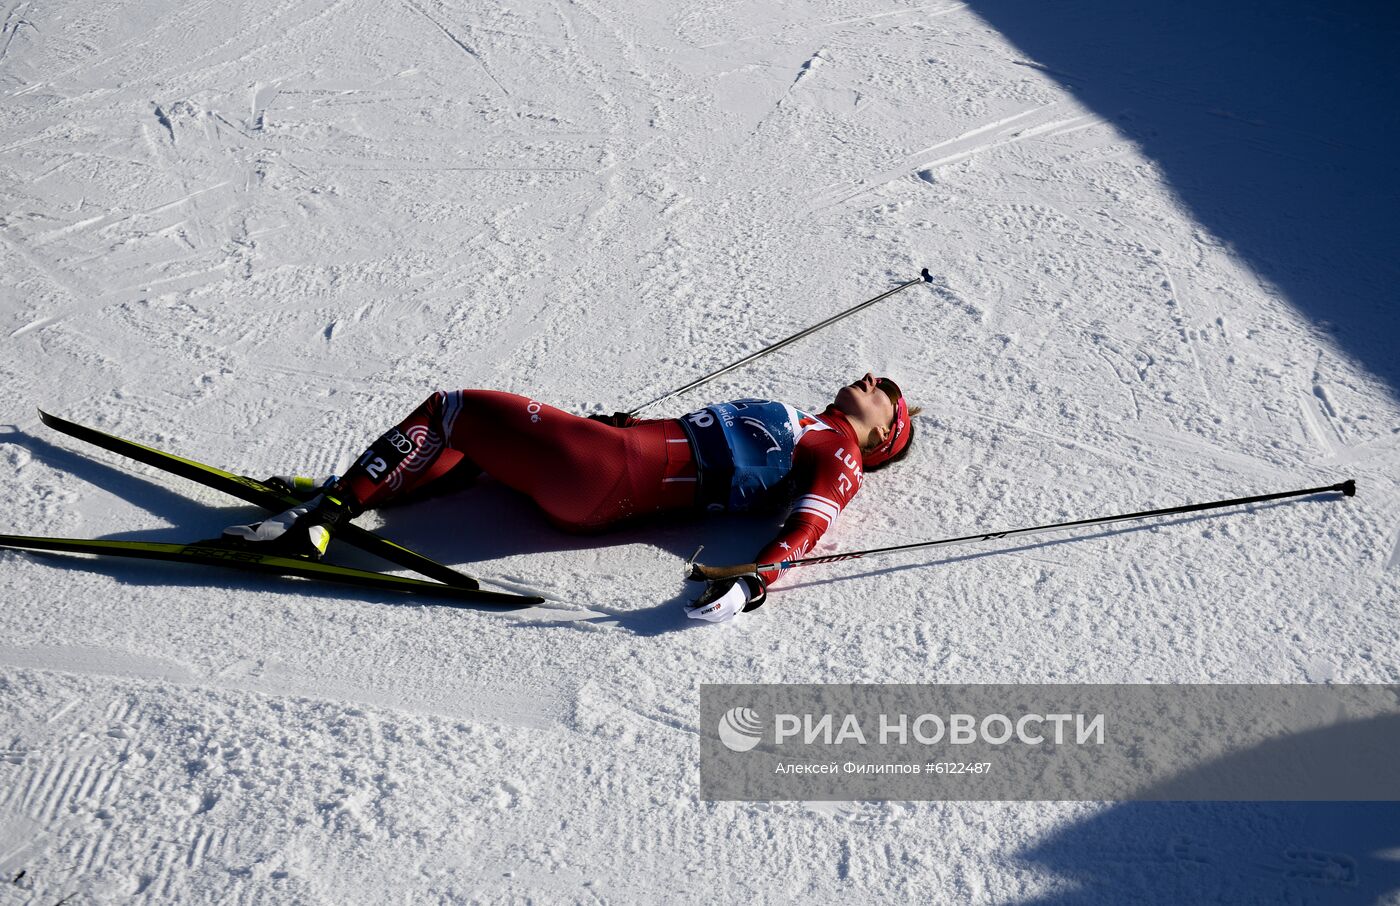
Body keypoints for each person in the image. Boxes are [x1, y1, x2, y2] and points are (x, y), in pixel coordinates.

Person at [223, 374, 918, 622]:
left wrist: (750, 583)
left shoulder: (838, 454)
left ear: (886, 432)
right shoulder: (816, 428)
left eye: (883, 389)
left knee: (452, 409)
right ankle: (349, 489)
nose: (867, 378)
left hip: (602, 472)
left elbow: (811, 523)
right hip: (603, 475)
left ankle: (317, 520)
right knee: (477, 452)